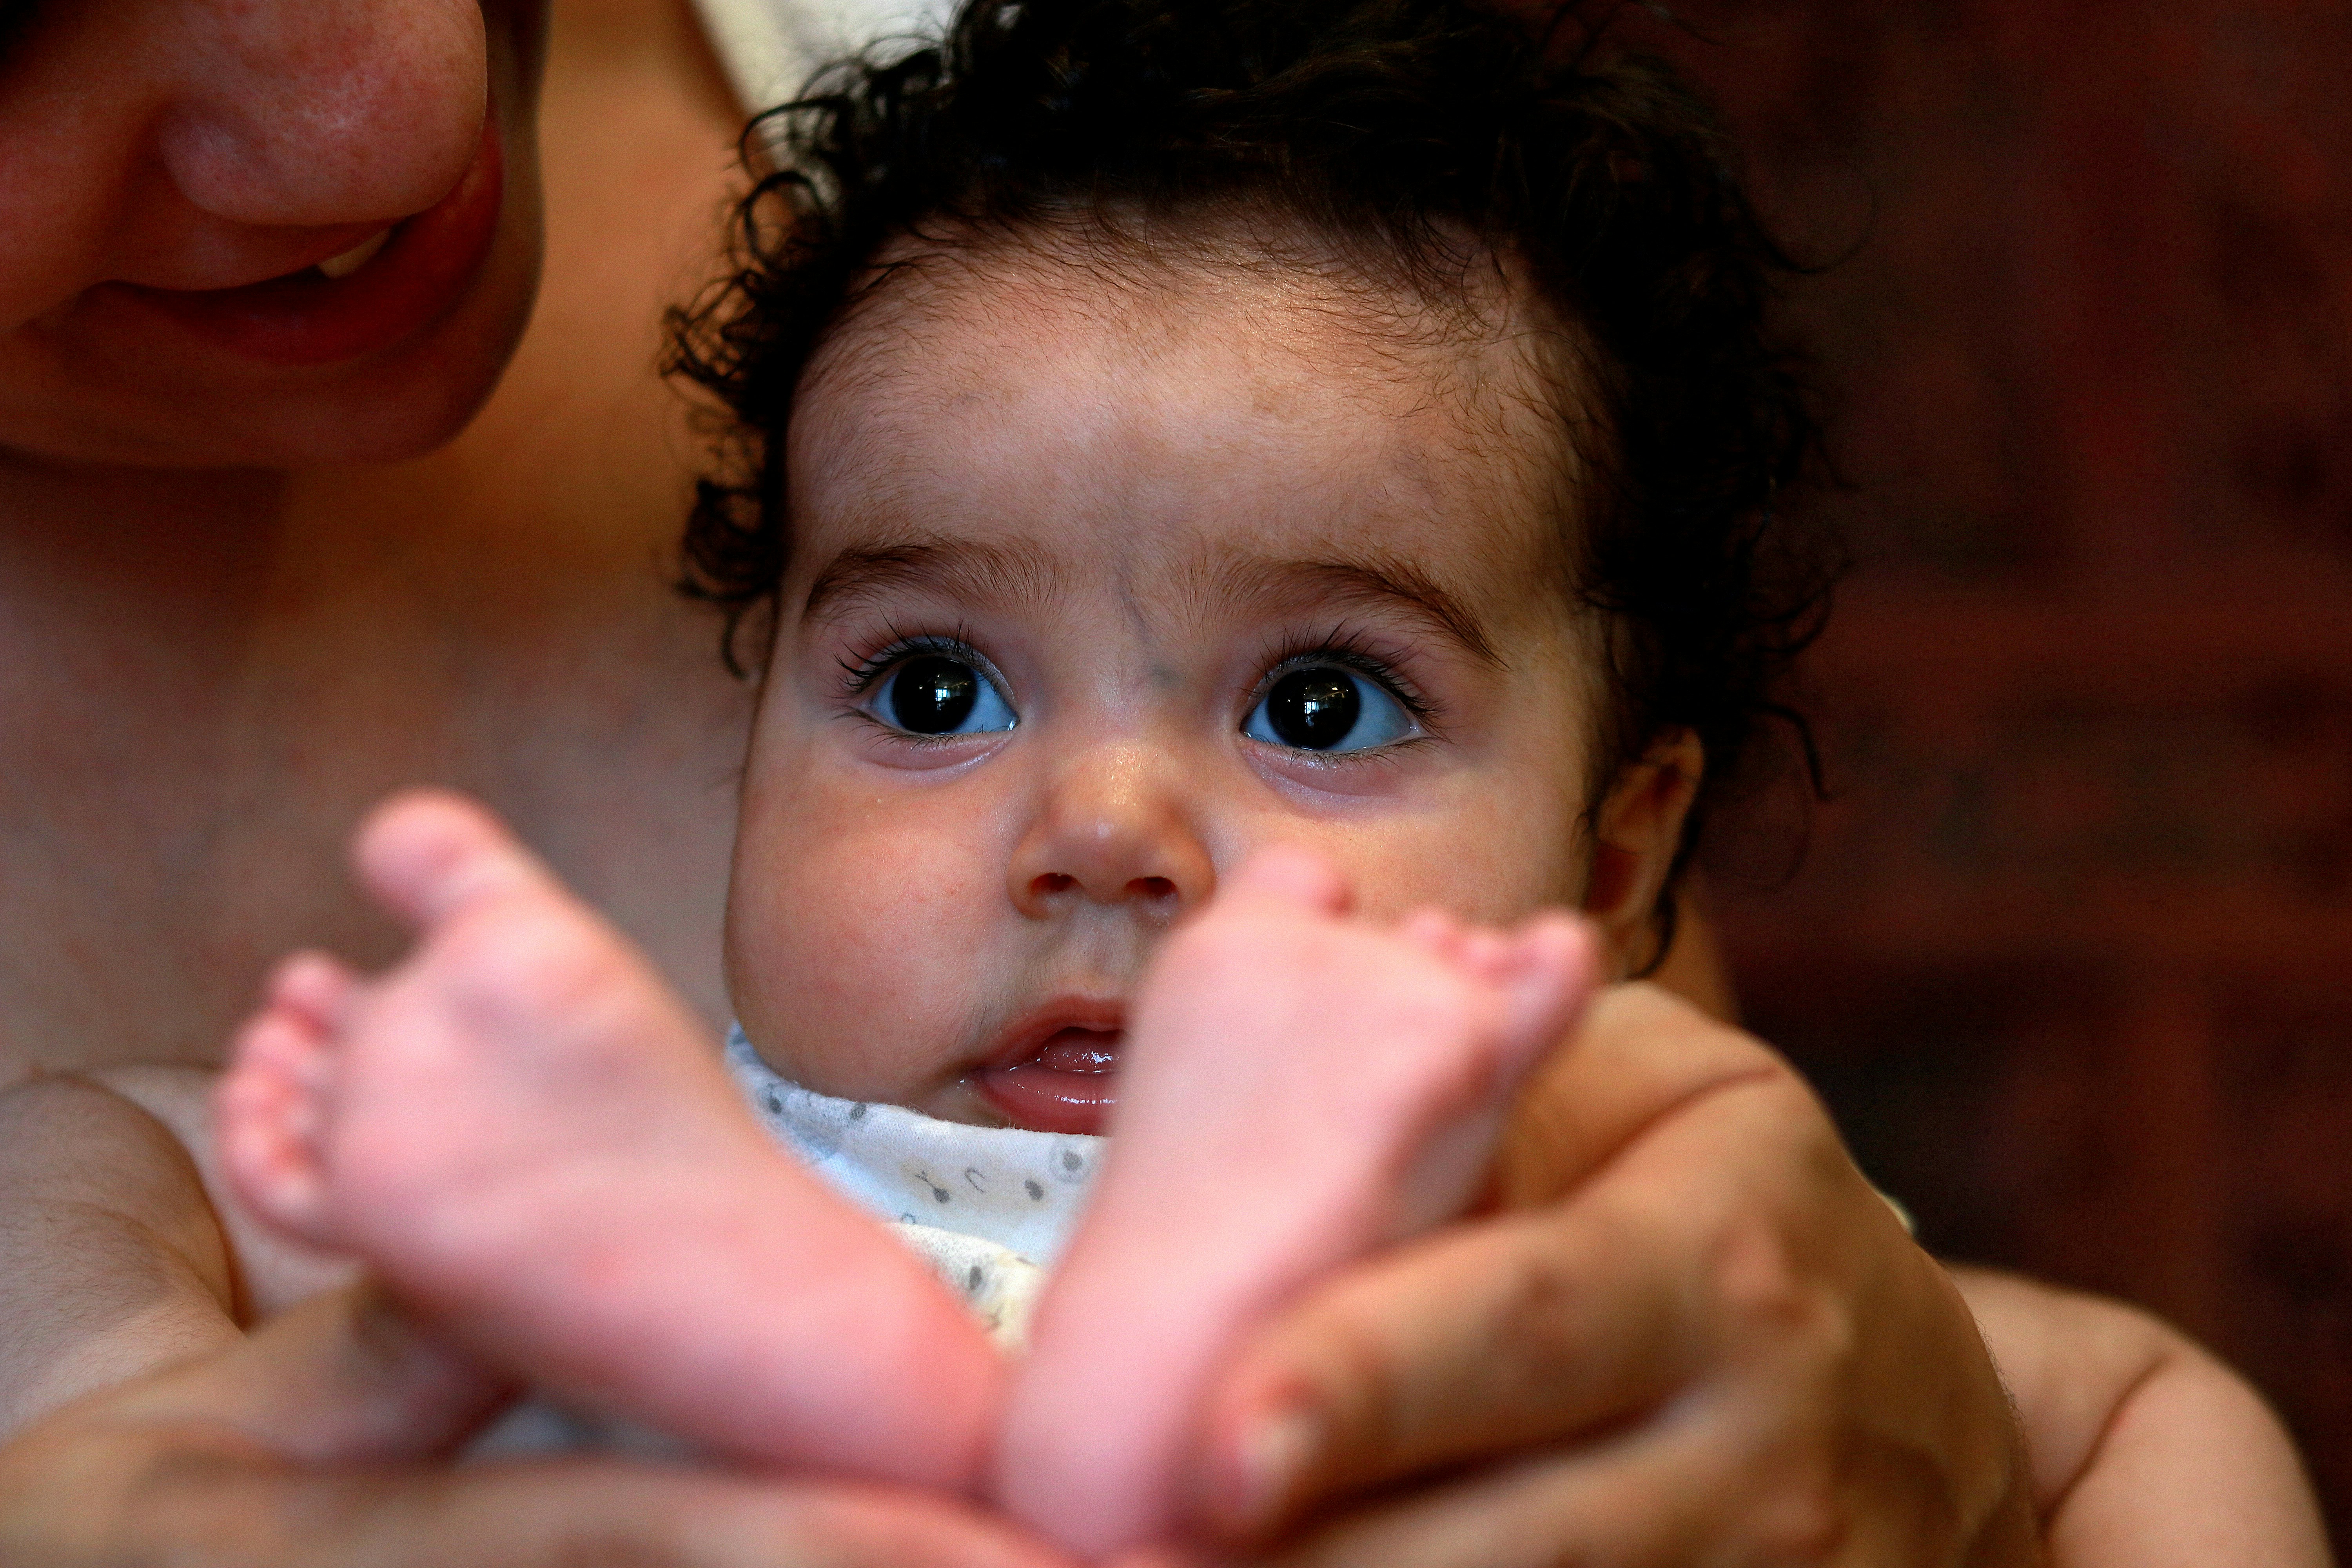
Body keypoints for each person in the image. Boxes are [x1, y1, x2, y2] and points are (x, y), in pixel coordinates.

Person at [2, 1, 2328, 1563]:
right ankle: (869, 1372)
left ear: (1621, 856)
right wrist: (107, 1420)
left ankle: (1190, 1323)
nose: (1103, 827)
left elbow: (2140, 1413)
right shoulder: (679, 1155)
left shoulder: (1601, 1195)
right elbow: (73, 1150)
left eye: (1320, 710)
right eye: (929, 695)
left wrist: (1909, 1399)